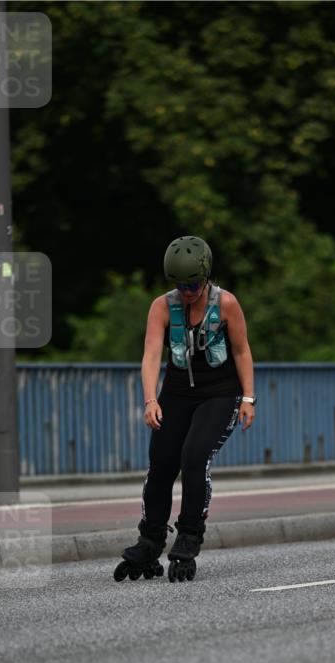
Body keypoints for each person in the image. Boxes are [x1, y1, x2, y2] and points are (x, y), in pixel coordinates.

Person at [114, 235, 256, 582]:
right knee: (162, 462)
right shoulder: (162, 306)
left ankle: (189, 539)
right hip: (176, 393)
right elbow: (150, 356)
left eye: (193, 284)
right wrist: (150, 400)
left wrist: (249, 398)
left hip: (220, 394)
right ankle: (149, 542)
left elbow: (241, 351)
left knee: (194, 457)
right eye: (181, 285)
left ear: (206, 277)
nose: (187, 291)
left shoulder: (227, 304)